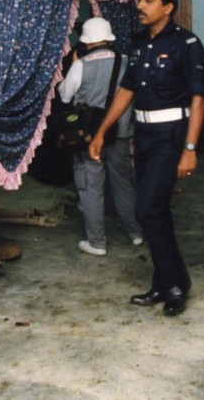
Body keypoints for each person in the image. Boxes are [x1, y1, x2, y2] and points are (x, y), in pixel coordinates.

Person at [89, 0, 204, 317]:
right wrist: (101, 131)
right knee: (157, 211)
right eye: (139, 0)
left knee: (147, 211)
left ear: (168, 7)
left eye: (149, 0)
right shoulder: (138, 42)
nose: (139, 6)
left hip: (172, 136)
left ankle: (176, 284)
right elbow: (126, 91)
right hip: (142, 134)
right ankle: (162, 282)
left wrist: (190, 147)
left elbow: (199, 100)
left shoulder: (188, 44)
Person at [58, 17, 144, 257]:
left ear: (86, 42)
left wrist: (74, 66)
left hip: (88, 139)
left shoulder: (80, 64)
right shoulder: (127, 62)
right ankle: (135, 233)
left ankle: (97, 243)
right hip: (121, 135)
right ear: (109, 38)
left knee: (90, 188)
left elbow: (65, 96)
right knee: (124, 184)